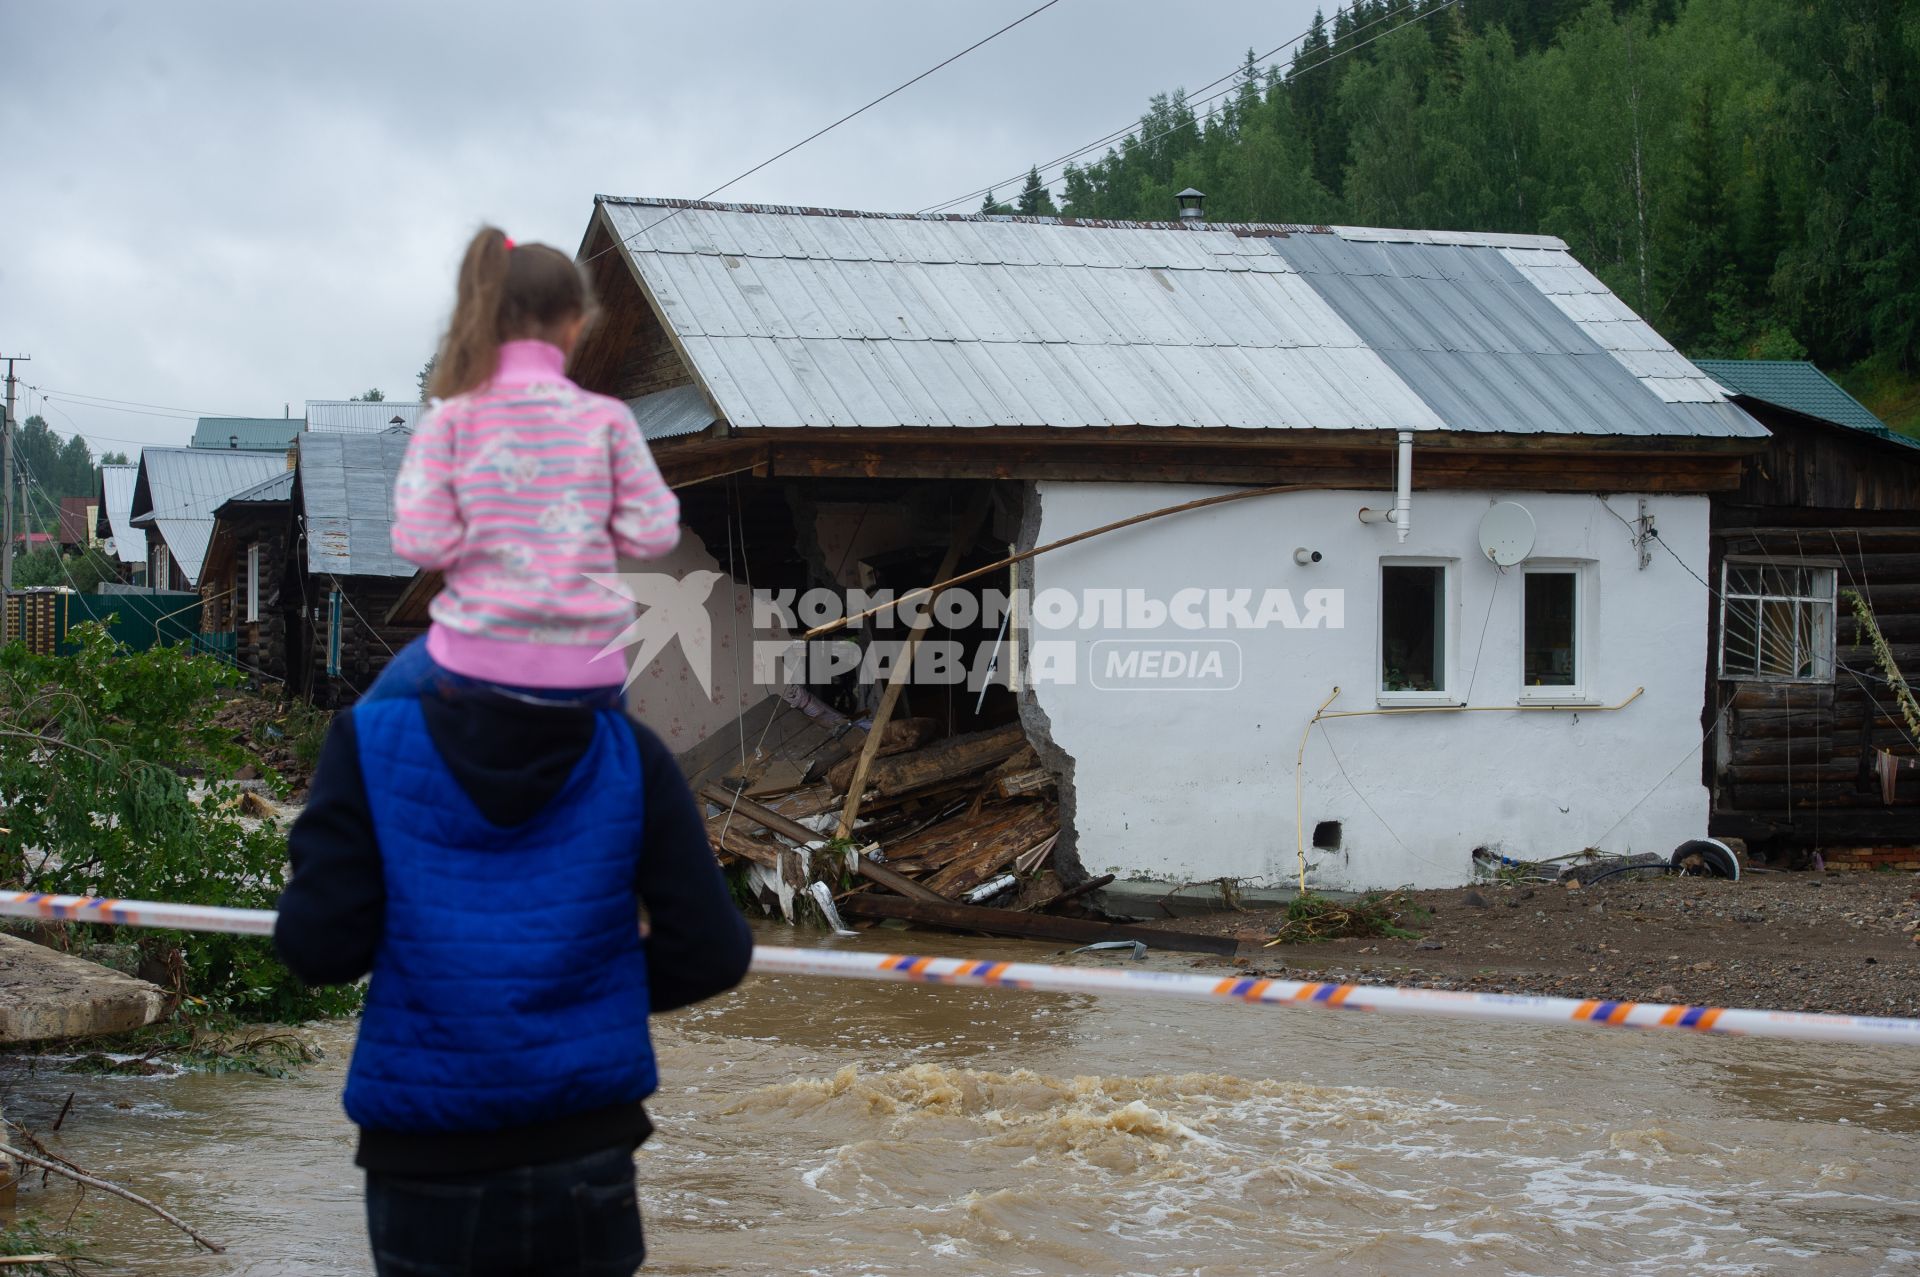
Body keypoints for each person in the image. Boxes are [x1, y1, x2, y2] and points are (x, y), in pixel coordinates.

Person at [273, 676, 753, 1277]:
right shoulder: (628, 750)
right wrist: (584, 992)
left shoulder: (371, 740)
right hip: (583, 1152)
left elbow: (317, 947)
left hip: (425, 1157)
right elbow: (713, 951)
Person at [371, 225, 681, 701]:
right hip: (588, 672)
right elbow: (655, 531)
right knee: (640, 767)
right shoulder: (608, 419)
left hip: (474, 662)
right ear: (576, 324)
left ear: (487, 318)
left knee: (361, 733)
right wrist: (589, 528)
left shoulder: (450, 419)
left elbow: (422, 542)